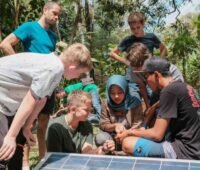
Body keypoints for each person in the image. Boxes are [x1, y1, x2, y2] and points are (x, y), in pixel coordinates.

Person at [0, 43, 93, 170]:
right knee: (5, 149)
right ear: (72, 67)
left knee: (16, 145)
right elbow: (30, 99)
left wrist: (27, 126)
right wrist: (11, 136)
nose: (78, 77)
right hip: (2, 103)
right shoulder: (53, 68)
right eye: (80, 73)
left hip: (6, 105)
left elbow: (41, 100)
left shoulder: (55, 66)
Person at [0, 1, 62, 166]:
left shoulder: (53, 36)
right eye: (54, 13)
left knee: (43, 123)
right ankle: (25, 162)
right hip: (30, 86)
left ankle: (43, 160)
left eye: (58, 15)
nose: (56, 17)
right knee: (26, 124)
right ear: (45, 10)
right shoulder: (29, 27)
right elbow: (5, 44)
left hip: (47, 86)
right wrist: (19, 67)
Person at [115, 57, 200, 160]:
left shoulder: (168, 91)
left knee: (127, 143)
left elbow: (157, 134)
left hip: (184, 151)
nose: (146, 82)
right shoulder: (186, 87)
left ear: (156, 75)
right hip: (195, 147)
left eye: (146, 77)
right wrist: (145, 122)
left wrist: (129, 132)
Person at [125, 43, 184, 127]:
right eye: (133, 66)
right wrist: (149, 106)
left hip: (174, 96)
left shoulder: (170, 70)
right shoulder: (133, 68)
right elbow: (141, 86)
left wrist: (154, 107)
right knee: (151, 116)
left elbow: (176, 95)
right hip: (157, 93)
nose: (136, 69)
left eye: (139, 66)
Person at [46, 90, 114, 154]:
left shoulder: (87, 125)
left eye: (90, 110)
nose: (90, 113)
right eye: (86, 110)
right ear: (73, 109)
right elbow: (55, 158)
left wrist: (103, 149)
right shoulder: (54, 128)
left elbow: (87, 152)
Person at [95, 75, 143, 151]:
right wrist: (115, 126)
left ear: (126, 90)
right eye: (112, 93)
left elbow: (137, 125)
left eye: (120, 92)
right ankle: (111, 149)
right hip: (112, 136)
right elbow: (103, 124)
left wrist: (125, 134)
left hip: (131, 135)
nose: (116, 96)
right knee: (100, 138)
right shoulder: (106, 103)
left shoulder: (135, 103)